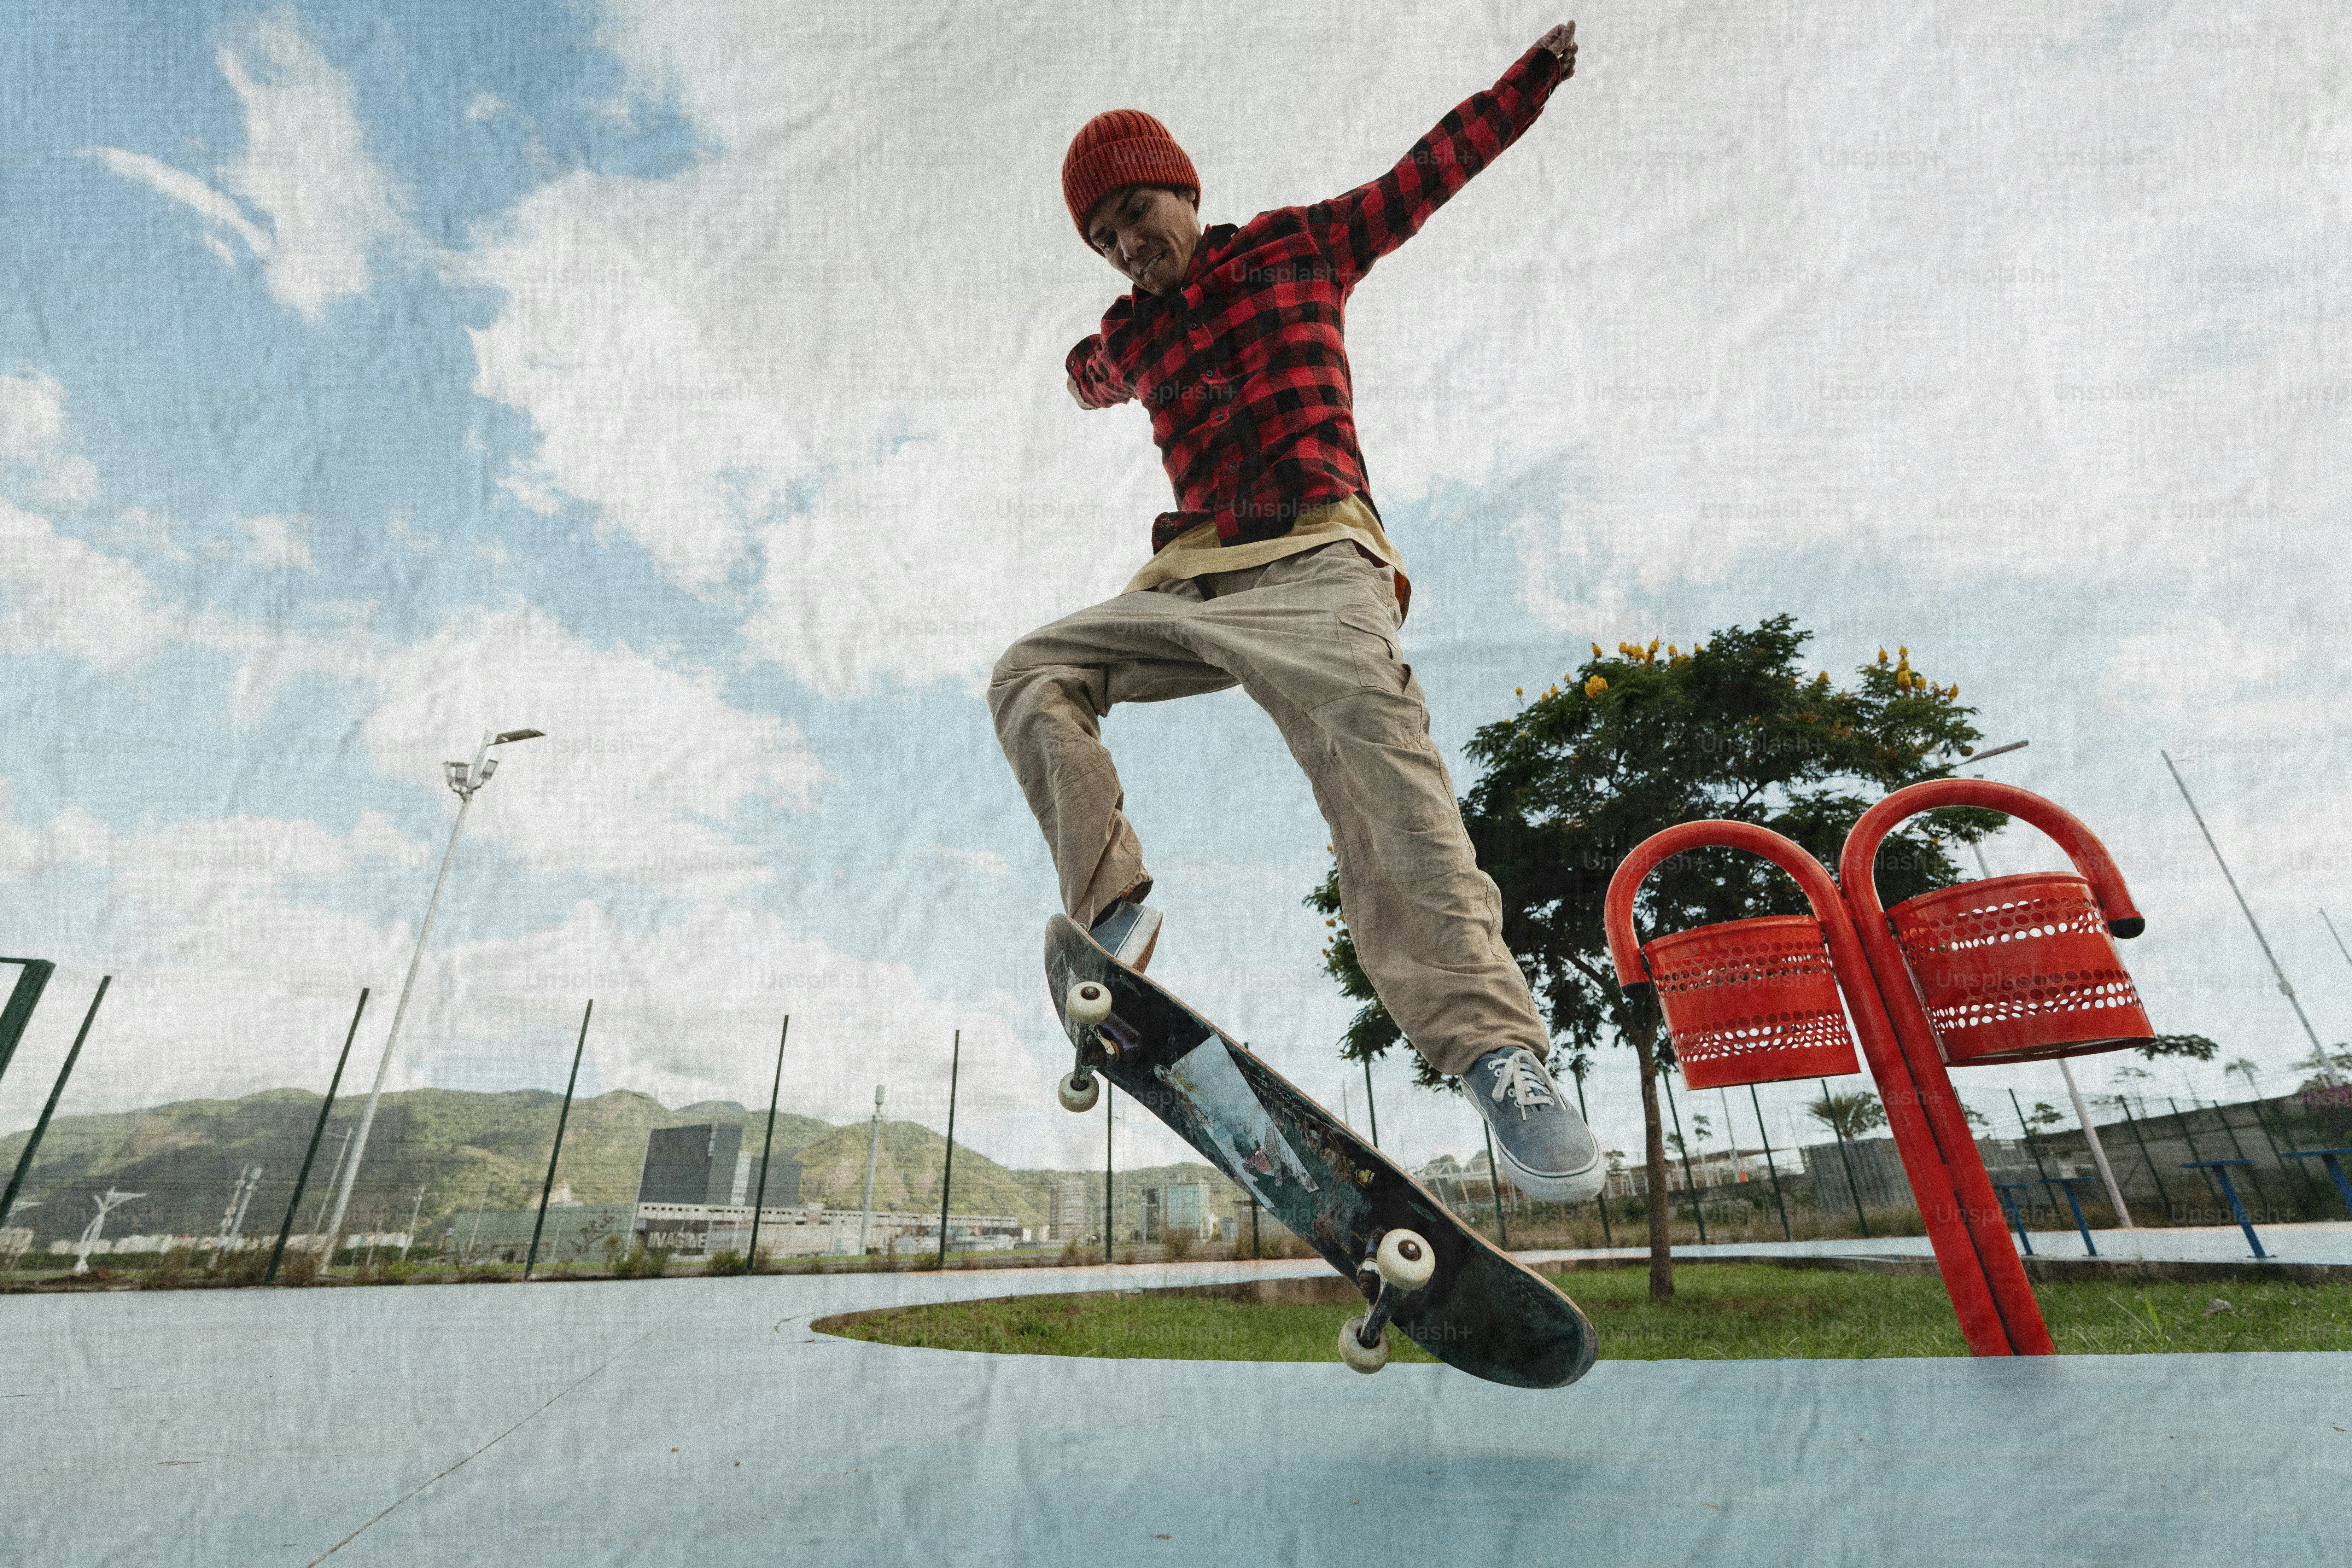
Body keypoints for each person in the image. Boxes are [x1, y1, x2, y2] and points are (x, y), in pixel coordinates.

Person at [989, 25, 1602, 1203]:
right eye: (1105, 239)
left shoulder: (1298, 246)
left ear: (1185, 189)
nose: (1129, 248)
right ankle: (1111, 909)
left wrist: (1527, 87)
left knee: (1380, 759)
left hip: (1321, 561)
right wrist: (1088, 366)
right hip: (1194, 581)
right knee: (1030, 672)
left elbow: (1430, 173)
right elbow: (1094, 373)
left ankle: (1498, 1053)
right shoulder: (1129, 328)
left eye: (1137, 217)